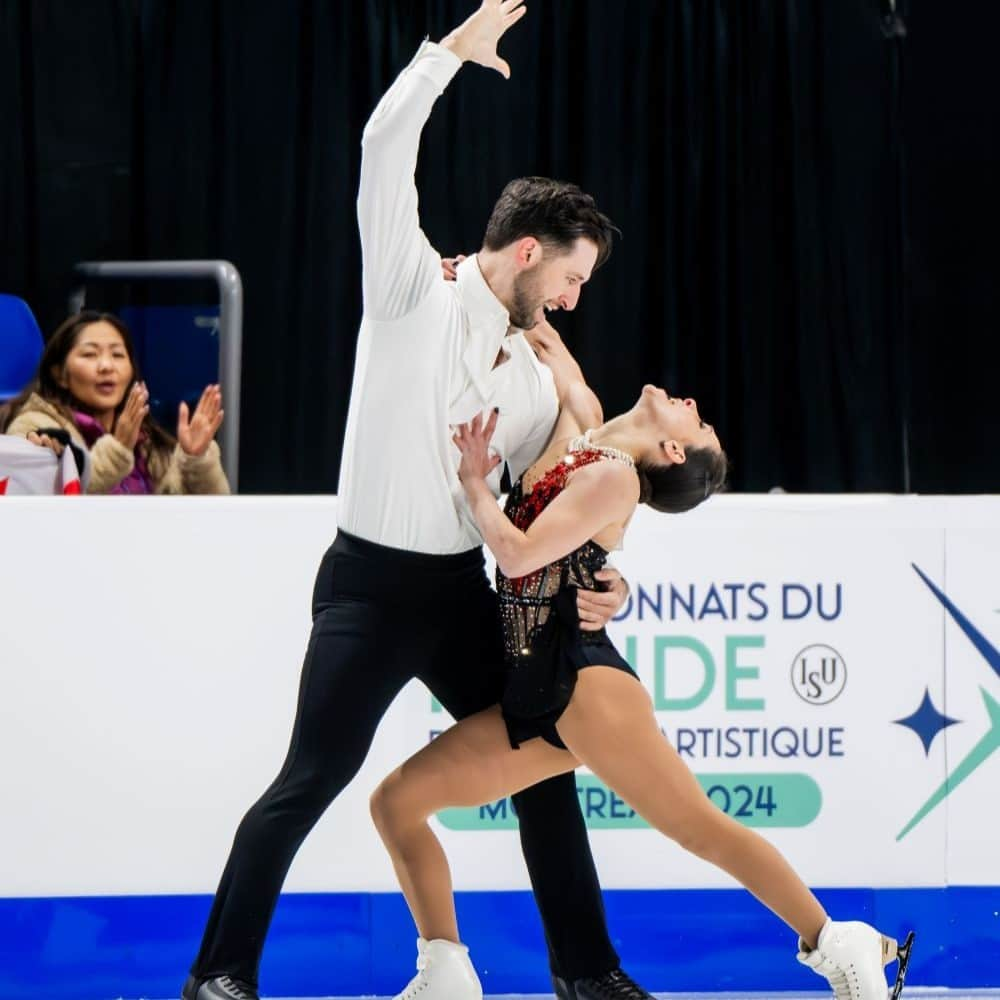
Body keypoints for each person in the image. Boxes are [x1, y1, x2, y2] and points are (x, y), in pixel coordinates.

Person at [181, 3, 661, 1000]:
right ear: (528, 251)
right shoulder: (411, 292)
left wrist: (604, 573)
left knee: (543, 761)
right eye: (572, 277)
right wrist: (447, 54)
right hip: (364, 590)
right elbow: (380, 144)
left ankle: (589, 974)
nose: (576, 300)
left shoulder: (534, 386)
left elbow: (551, 504)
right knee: (308, 779)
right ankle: (219, 978)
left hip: (456, 595)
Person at [370, 384, 914, 1000]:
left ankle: (839, 942)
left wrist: (474, 484)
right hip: (538, 694)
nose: (691, 403)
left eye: (699, 421)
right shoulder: (589, 439)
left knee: (699, 828)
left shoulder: (619, 478)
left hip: (585, 686)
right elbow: (556, 354)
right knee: (395, 805)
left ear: (675, 450)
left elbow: (517, 556)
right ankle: (445, 975)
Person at [2, 311, 228, 495]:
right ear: (59, 374)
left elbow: (200, 515)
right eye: (90, 355)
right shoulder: (34, 428)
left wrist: (195, 459)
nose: (106, 366)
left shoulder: (145, 438)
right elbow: (57, 501)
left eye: (118, 355)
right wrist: (117, 450)